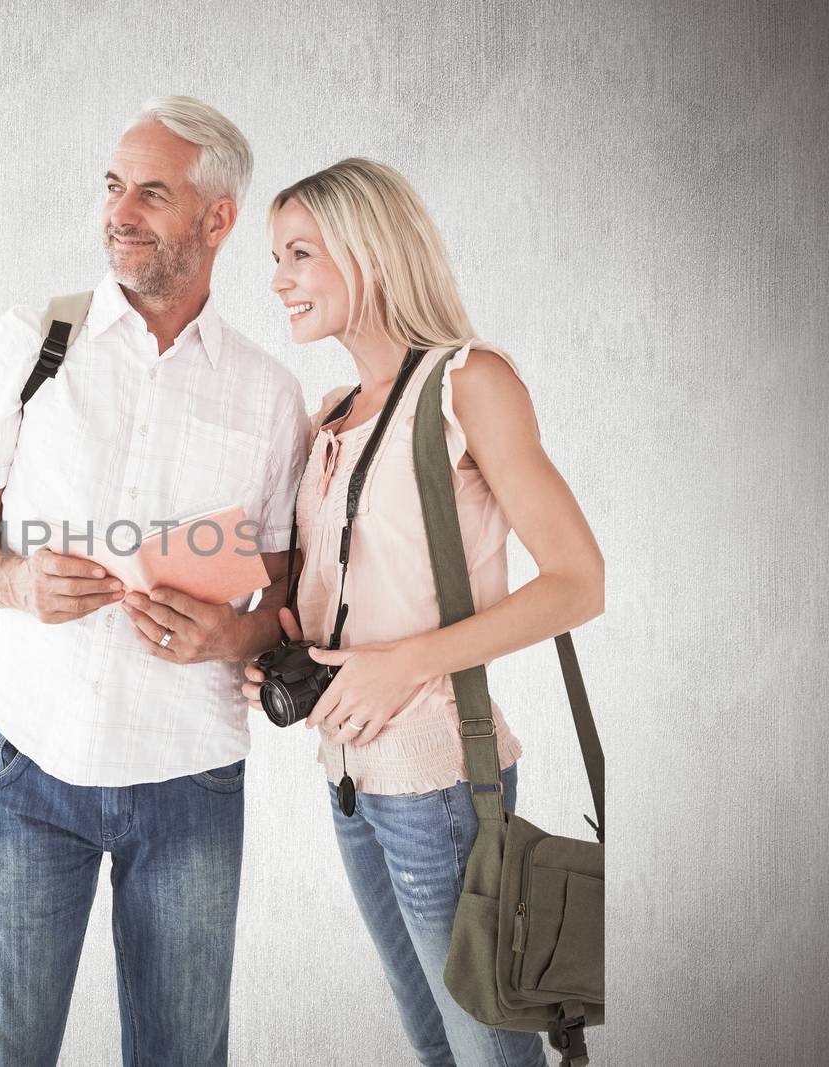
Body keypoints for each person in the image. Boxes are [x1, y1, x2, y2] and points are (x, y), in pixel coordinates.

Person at [0, 96, 310, 1066]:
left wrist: (232, 636)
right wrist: (17, 582)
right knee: (5, 1048)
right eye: (112, 185)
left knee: (183, 1053)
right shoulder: (32, 339)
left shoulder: (268, 394)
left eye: (152, 190)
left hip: (188, 768)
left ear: (217, 219)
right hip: (31, 761)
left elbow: (287, 589)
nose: (118, 210)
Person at [244, 157, 605, 1066]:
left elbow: (577, 581)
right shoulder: (331, 412)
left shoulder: (466, 383)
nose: (276, 279)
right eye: (273, 256)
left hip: (439, 777)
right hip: (349, 777)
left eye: (299, 253)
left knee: (489, 1051)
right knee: (434, 1046)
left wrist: (404, 661)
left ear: (370, 252)